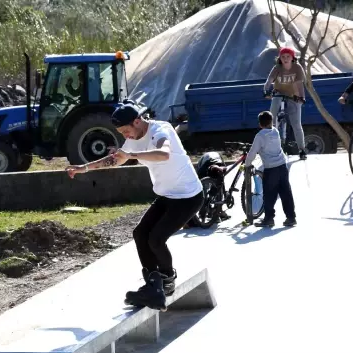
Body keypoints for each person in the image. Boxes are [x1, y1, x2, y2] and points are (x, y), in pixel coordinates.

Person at [65, 100, 204, 310]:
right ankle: (152, 284)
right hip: (167, 196)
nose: (125, 136)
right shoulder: (132, 140)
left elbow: (163, 154)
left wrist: (131, 155)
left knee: (156, 239)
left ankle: (167, 281)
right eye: (121, 133)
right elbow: (114, 160)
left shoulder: (161, 130)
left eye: (126, 131)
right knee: (140, 233)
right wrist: (83, 168)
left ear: (137, 121)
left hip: (188, 196)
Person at [246, 111, 296, 228]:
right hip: (283, 166)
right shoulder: (275, 131)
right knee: (285, 192)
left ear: (260, 124)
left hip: (271, 168)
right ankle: (291, 217)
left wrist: (247, 164)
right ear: (271, 121)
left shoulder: (260, 136)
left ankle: (269, 219)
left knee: (269, 194)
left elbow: (253, 152)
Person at [263, 46, 308, 161]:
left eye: (288, 56)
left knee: (296, 124)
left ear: (292, 58)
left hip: (293, 96)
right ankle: (271, 148)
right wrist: (266, 90)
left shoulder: (297, 68)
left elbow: (299, 84)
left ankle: (302, 149)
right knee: (271, 119)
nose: (285, 59)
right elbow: (269, 80)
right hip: (278, 93)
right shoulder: (277, 68)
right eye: (283, 57)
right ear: (280, 58)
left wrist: (302, 97)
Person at [195, 151, 230, 221]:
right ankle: (216, 211)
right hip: (207, 163)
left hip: (207, 162)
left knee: (204, 189)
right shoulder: (220, 164)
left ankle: (209, 211)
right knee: (218, 186)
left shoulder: (218, 163)